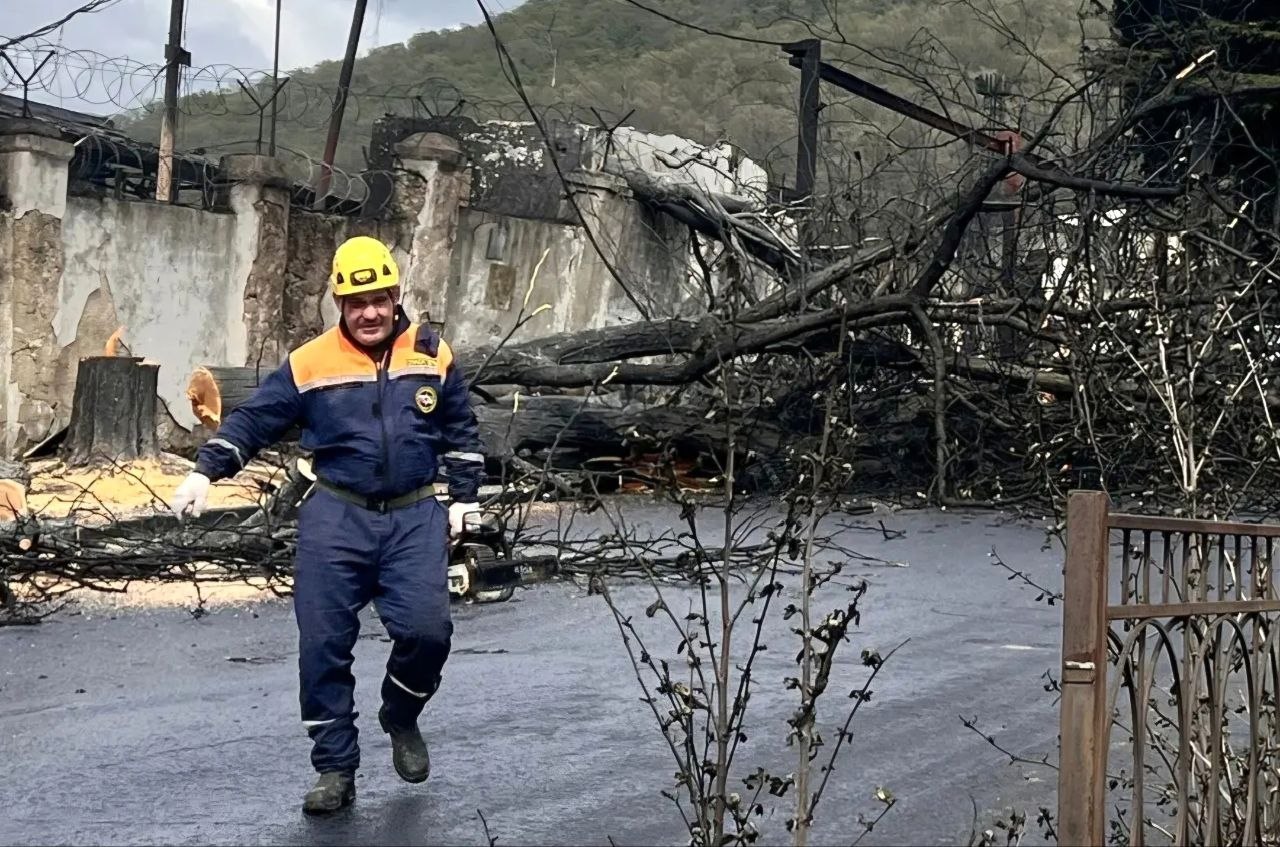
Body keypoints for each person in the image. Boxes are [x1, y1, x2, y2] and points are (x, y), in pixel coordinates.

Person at [170, 235, 485, 814]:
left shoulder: (432, 353)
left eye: (380, 300)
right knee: (322, 648)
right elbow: (255, 420)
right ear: (339, 303)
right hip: (336, 516)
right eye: (355, 301)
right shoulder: (310, 363)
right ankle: (336, 769)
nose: (369, 313)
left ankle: (401, 713)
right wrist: (206, 472)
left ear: (396, 297)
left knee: (427, 634)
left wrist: (465, 500)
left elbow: (461, 430)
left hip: (416, 515)